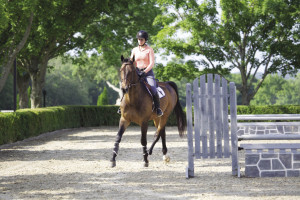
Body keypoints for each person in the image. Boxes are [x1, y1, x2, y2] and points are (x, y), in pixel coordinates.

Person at [118, 30, 163, 117]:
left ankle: (157, 108)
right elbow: (132, 61)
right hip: (137, 71)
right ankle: (122, 106)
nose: (140, 41)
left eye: (141, 39)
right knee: (126, 85)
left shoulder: (149, 50)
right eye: (138, 39)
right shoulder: (134, 50)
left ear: (145, 40)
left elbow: (151, 63)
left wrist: (145, 72)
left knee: (153, 89)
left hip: (148, 72)